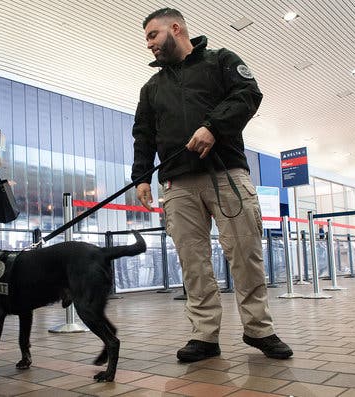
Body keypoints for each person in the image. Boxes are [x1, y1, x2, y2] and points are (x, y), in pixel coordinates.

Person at [132, 8, 292, 362]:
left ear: (176, 28)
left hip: (226, 174)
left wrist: (212, 127)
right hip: (177, 184)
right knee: (193, 262)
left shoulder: (221, 61)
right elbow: (143, 136)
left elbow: (248, 95)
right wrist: (141, 177)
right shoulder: (151, 88)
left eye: (153, 36)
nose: (149, 45)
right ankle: (204, 335)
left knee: (246, 253)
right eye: (147, 39)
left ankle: (259, 329)